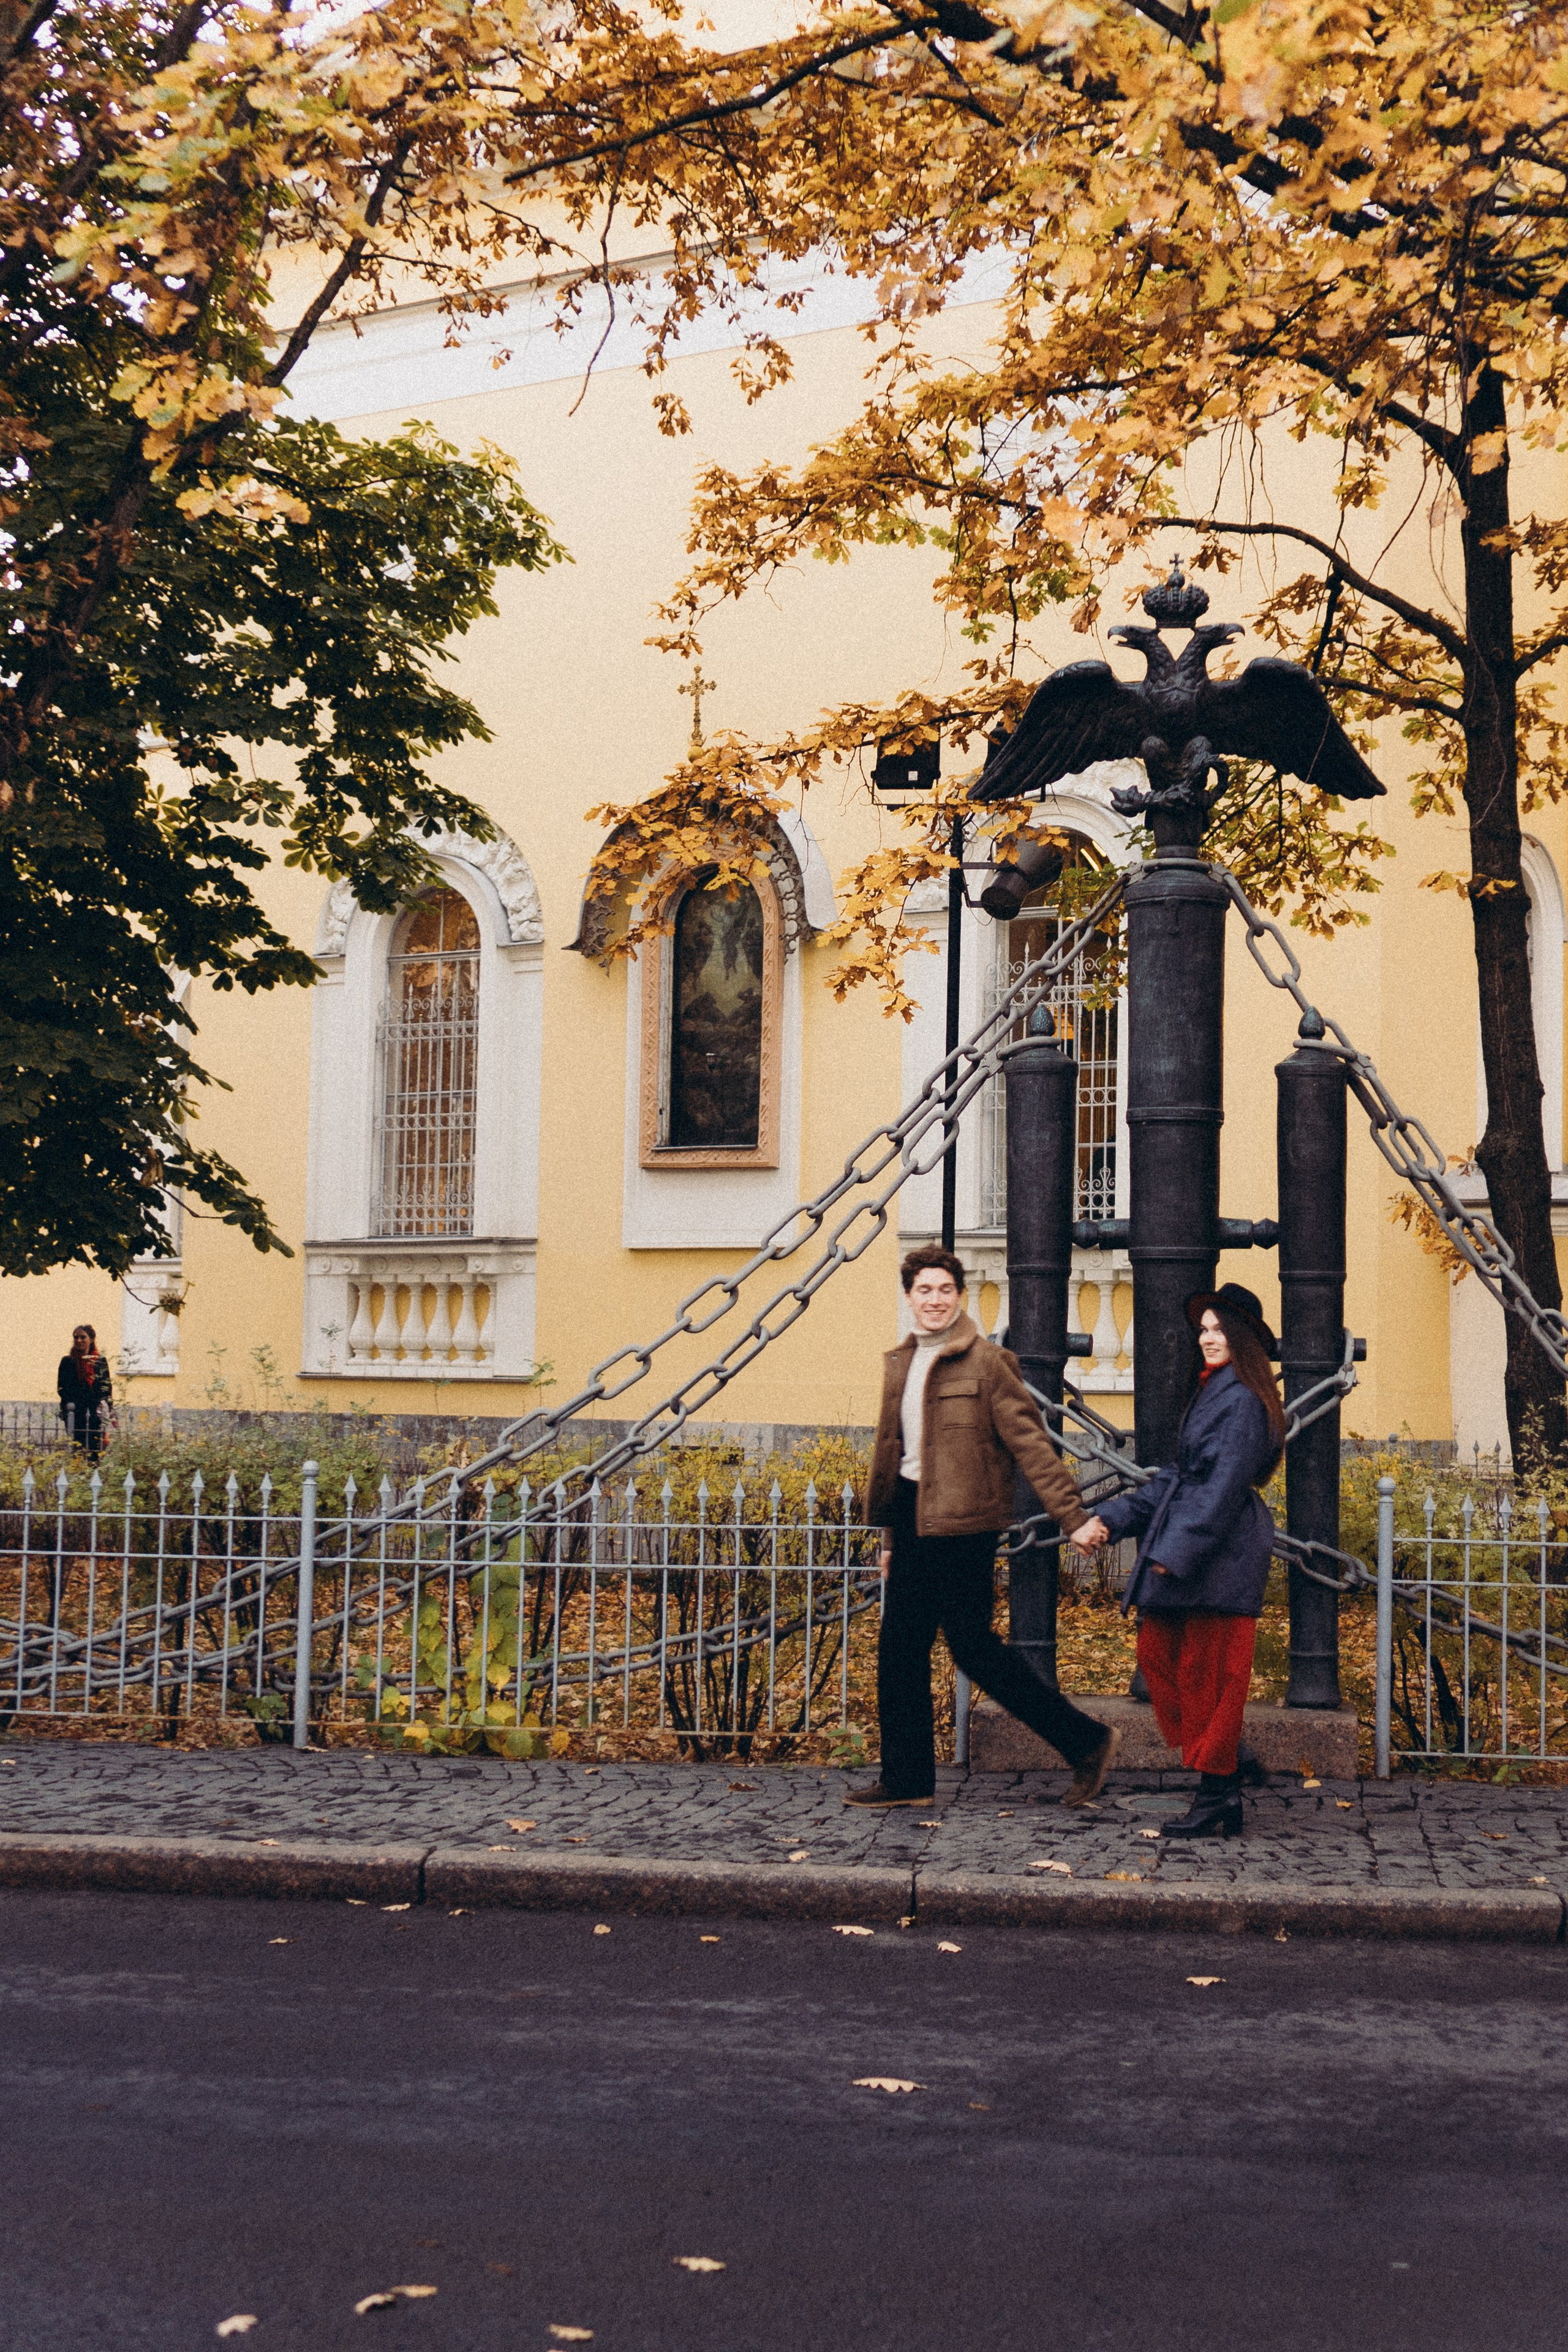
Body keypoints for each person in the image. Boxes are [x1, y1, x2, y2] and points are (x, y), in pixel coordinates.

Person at [846, 1243, 1119, 1809]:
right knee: (900, 1652)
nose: (935, 1300)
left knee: (974, 1649)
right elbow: (899, 1459)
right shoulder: (901, 1362)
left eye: (945, 1290)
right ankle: (907, 1780)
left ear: (960, 1296)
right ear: (908, 1297)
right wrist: (892, 1540)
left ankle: (1088, 1741)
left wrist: (1072, 1518)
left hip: (966, 1529)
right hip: (916, 1522)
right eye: (924, 1290)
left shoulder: (987, 1363)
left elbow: (1032, 1445)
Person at [1069, 1281, 1285, 1842]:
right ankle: (1229, 1761)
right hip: (1198, 1547)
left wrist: (1173, 1554)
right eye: (1205, 1329)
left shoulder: (1240, 1399)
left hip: (1219, 1553)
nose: (1208, 1338)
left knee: (1209, 1674)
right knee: (1161, 1658)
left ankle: (1218, 1797)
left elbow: (1221, 1487)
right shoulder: (1218, 1390)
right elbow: (1177, 1478)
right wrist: (1114, 1519)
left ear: (1242, 1339)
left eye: (1219, 1330)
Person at [58, 1325, 114, 1461]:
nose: (79, 1340)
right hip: (75, 1410)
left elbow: (106, 1387)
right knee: (78, 1446)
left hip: (95, 1411)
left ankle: (93, 1474)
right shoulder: (68, 1361)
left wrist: (108, 1406)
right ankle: (78, 1473)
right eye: (76, 1337)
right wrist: (79, 1400)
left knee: (96, 1447)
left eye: (83, 1337)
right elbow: (62, 1388)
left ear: (92, 1339)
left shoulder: (100, 1361)